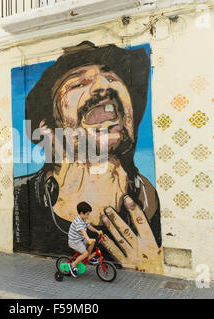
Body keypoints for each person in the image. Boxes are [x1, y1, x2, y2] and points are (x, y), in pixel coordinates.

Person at [13, 41, 163, 274]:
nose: (103, 86)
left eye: (112, 77)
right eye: (78, 83)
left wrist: (152, 268)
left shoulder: (147, 198)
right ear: (47, 130)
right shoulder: (21, 198)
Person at [68, 202, 103, 277]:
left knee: (92, 242)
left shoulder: (83, 219)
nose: (88, 215)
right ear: (81, 213)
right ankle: (72, 265)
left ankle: (88, 258)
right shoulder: (78, 222)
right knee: (85, 253)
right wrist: (88, 239)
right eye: (87, 214)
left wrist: (97, 231)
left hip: (80, 239)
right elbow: (83, 231)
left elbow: (89, 226)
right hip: (75, 241)